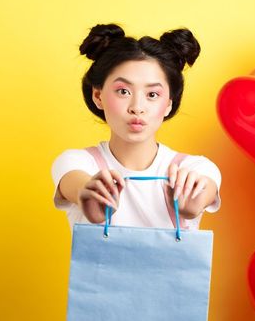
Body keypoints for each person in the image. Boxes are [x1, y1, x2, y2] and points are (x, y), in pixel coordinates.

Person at [51, 23, 221, 230]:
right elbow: (77, 185)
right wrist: (89, 194)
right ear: (98, 96)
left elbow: (205, 189)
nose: (137, 108)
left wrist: (194, 200)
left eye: (152, 95)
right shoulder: (78, 162)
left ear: (168, 103)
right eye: (123, 91)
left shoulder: (195, 169)